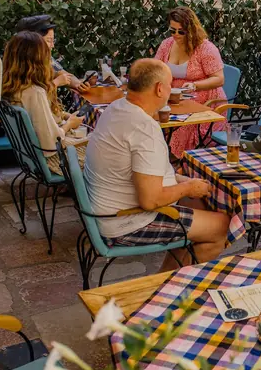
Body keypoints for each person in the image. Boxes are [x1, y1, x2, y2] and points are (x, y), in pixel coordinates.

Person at [84, 59, 230, 272]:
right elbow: (150, 200)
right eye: (171, 84)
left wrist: (181, 181)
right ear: (160, 89)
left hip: (104, 210)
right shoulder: (144, 129)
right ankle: (167, 285)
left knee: (202, 206)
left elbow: (139, 173)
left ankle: (171, 272)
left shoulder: (116, 108)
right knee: (223, 228)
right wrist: (189, 188)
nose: (172, 89)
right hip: (126, 223)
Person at [1, 32, 87, 174]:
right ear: (37, 59)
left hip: (30, 157)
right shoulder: (35, 92)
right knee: (108, 148)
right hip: (55, 161)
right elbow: (51, 143)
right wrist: (69, 124)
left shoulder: (12, 88)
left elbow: (39, 119)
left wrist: (65, 116)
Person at [154, 6, 226, 157]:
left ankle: (178, 162)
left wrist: (194, 85)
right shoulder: (167, 44)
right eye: (172, 30)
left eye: (181, 31)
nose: (176, 35)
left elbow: (219, 79)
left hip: (204, 100)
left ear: (191, 30)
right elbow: (156, 68)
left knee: (180, 126)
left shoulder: (205, 48)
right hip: (174, 99)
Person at [15, 15, 90, 93]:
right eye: (48, 40)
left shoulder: (45, 57)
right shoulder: (19, 63)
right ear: (33, 42)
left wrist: (78, 84)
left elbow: (61, 72)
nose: (52, 46)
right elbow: (30, 95)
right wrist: (56, 83)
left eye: (53, 41)